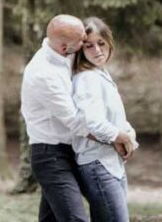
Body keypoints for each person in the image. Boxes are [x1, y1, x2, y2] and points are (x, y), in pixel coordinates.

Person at [21, 14, 135, 222]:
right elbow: (77, 123)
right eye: (83, 42)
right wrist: (116, 137)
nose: (87, 45)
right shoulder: (43, 73)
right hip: (51, 155)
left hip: (72, 149)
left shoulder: (67, 52)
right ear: (66, 48)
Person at [72, 17, 138, 222]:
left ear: (109, 42)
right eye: (89, 46)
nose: (97, 50)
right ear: (81, 50)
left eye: (101, 43)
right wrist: (121, 138)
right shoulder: (87, 78)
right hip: (97, 164)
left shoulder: (100, 74)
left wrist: (129, 137)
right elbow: (93, 123)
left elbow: (117, 118)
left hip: (112, 163)